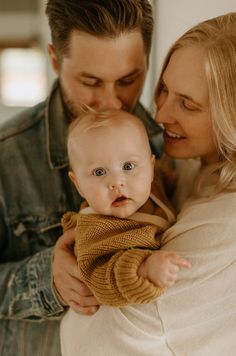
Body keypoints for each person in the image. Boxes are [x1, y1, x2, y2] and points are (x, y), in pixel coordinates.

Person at [59, 12, 236, 356]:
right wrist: (65, 258)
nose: (160, 115)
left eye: (188, 104)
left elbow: (127, 327)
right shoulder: (182, 169)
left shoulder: (226, 220)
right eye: (165, 89)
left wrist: (136, 267)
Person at [0, 1, 162, 355]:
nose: (110, 103)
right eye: (90, 82)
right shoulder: (6, 157)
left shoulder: (169, 146)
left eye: (128, 80)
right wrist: (46, 279)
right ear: (55, 60)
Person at [61, 108, 190, 307]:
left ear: (151, 168)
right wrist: (143, 269)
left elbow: (164, 178)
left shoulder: (149, 186)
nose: (117, 182)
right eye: (99, 172)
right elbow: (101, 279)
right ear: (78, 185)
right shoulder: (96, 231)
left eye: (128, 167)